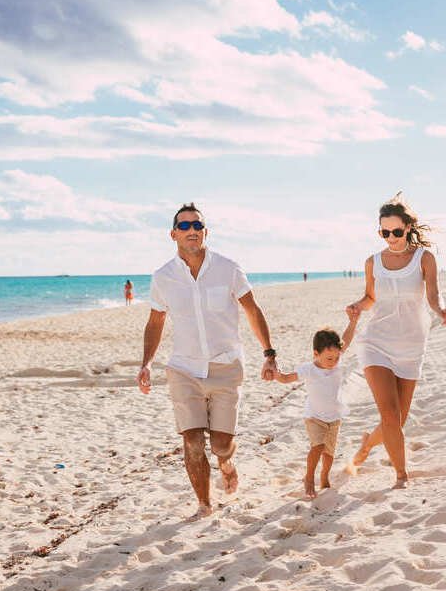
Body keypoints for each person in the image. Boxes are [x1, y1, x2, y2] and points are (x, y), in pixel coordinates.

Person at [137, 203, 278, 518]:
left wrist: (269, 352)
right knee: (192, 442)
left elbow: (252, 310)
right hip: (183, 368)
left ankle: (226, 462)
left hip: (226, 366)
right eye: (184, 226)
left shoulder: (228, 268)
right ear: (173, 234)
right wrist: (146, 362)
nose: (191, 231)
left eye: (197, 226)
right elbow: (156, 322)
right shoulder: (163, 277)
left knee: (221, 445)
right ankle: (204, 505)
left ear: (205, 232)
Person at [345, 193, 446, 488]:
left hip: (411, 346)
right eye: (384, 232)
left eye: (395, 231)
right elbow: (370, 297)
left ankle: (367, 444)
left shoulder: (424, 259)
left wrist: (441, 310)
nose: (390, 237)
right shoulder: (373, 262)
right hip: (376, 342)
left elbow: (432, 295)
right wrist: (357, 305)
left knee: (398, 421)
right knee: (390, 416)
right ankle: (401, 476)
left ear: (407, 228)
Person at [273, 312, 359, 499]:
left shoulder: (335, 360)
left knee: (329, 454)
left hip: (334, 417)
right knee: (318, 447)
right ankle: (309, 477)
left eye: (336, 357)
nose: (334, 361)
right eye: (329, 358)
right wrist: (276, 374)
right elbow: (288, 378)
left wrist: (353, 321)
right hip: (314, 417)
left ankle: (324, 476)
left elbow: (346, 339)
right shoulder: (309, 370)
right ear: (316, 354)